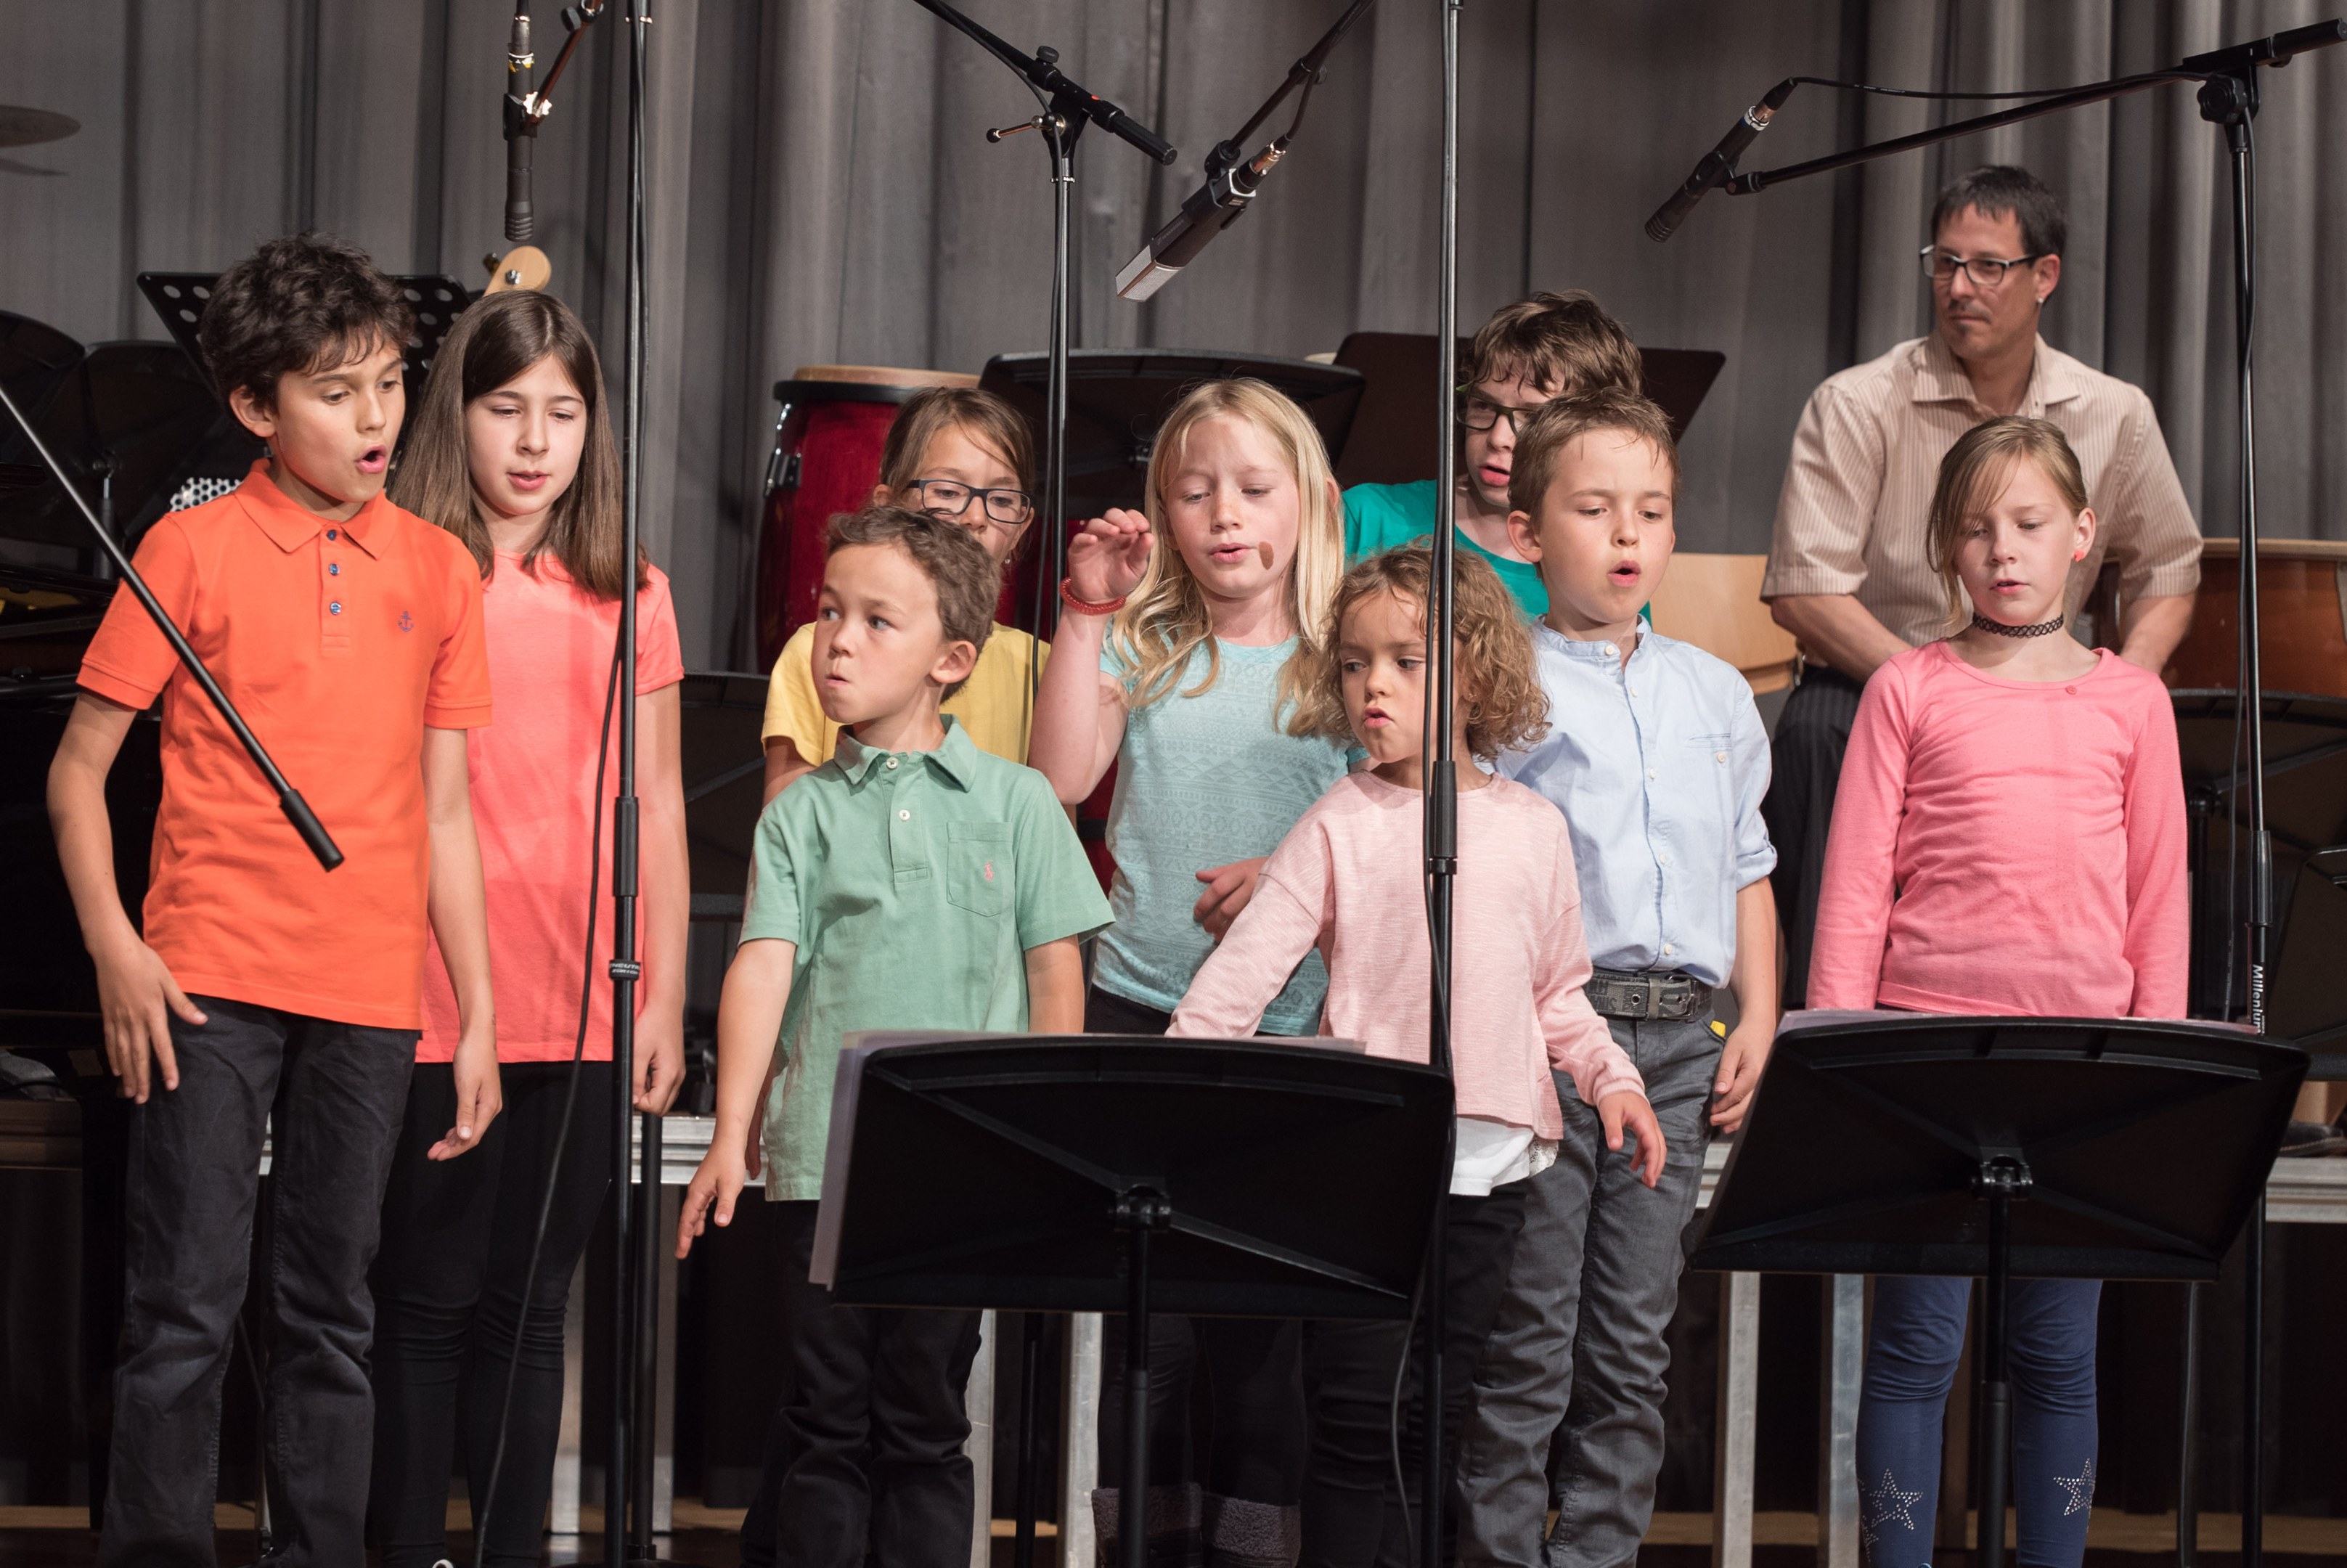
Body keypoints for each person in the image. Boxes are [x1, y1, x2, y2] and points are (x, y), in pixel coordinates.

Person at [46, 232, 498, 1568]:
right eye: (336, 393)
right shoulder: (188, 549)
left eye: (389, 384)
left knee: (330, 1313)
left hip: (369, 987)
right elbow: (77, 774)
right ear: (256, 405)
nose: (375, 419)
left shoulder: (440, 567)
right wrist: (117, 949)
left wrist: (474, 1014)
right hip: (207, 977)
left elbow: (448, 815)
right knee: (183, 1310)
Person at [1168, 544, 1664, 1568]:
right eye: (1354, 664)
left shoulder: (1531, 827)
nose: (1373, 687)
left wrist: (1612, 1080)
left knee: (1441, 1413)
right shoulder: (1337, 821)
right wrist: (1173, 1106)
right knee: (1356, 1416)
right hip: (1369, 1167)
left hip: (1491, 1166)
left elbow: (1557, 993)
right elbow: (1234, 986)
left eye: (1404, 661)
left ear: (1474, 674)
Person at [677, 505, 1110, 1568]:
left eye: (876, 621)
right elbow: (763, 964)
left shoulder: (1016, 803)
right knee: (827, 1415)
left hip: (960, 1166)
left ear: (950, 660)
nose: (837, 641)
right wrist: (731, 1132)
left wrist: (1049, 1133)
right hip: (820, 1161)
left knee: (924, 1415)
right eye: (829, 612)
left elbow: (1054, 969)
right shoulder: (800, 813)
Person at [1808, 416, 2187, 1568]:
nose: (2002, 550)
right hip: (1926, 1059)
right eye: (1975, 529)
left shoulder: (2132, 702)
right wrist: (1837, 1060)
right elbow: (1855, 885)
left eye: (2027, 523)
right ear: (1945, 548)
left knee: (2059, 1353)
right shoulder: (1907, 688)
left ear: (2081, 534)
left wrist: (2157, 1071)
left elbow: (2158, 898)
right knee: (1914, 1350)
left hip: (2081, 1067)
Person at [364, 289, 691, 1568]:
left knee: (528, 1305)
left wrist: (661, 992)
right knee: (427, 1298)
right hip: (432, 988)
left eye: (563, 412)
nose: (535, 441)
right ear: (459, 413)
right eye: (507, 409)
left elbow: (660, 799)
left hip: (584, 985)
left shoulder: (632, 589)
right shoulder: (411, 564)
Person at [1028, 377, 1356, 1567]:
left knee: (1259, 1343)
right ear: (1161, 512)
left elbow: (1389, 824)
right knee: (1147, 1341)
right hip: (1142, 1013)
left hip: (1290, 1032)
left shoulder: (1341, 662)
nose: (1225, 516)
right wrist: (1082, 614)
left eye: (1255, 489)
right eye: (1194, 491)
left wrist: (1288, 876)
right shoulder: (1145, 644)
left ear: (1310, 503)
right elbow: (1060, 780)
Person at [1452, 388, 1779, 1568]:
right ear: (1529, 531)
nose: (1627, 533)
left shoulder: (1715, 692)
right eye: (1593, 509)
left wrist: (1761, 1013)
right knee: (1529, 1335)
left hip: (1682, 1042)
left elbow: (1745, 866)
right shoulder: (1503, 688)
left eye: (1650, 509)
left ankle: (1596, 1557)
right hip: (1550, 1043)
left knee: (1632, 1345)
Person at [1761, 165, 2200, 1008]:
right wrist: (1946, 697)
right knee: (1815, 735)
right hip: (1878, 679)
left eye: (1987, 267)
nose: (1958, 287)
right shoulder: (1856, 402)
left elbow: (2169, 568)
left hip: (2055, 680)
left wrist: (2120, 690)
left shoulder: (2115, 412)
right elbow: (1805, 588)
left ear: (2044, 275)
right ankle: (1828, 1025)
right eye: (1944, 263)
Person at [761, 385, 1045, 802]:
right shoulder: (820, 650)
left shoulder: (1040, 667)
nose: (975, 517)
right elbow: (786, 824)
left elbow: (1053, 826)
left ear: (1021, 528)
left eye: (1002, 500)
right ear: (888, 507)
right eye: (947, 493)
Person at [1343, 290, 1644, 616]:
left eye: (1533, 417)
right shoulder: (1367, 517)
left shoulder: (1612, 561)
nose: (1499, 438)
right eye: (1484, 405)